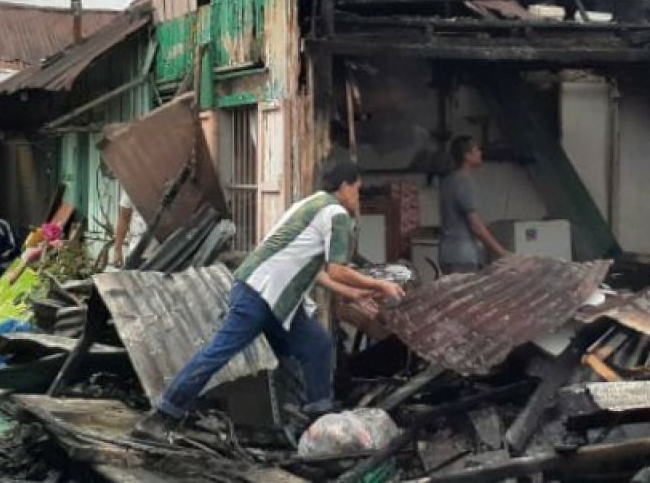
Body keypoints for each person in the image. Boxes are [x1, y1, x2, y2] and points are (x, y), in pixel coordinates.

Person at [133, 160, 404, 442]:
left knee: (318, 344)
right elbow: (336, 269)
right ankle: (163, 414)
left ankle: (319, 423)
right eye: (357, 191)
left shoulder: (311, 204)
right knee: (218, 352)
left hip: (273, 296)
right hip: (261, 294)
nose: (357, 198)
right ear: (345, 186)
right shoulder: (336, 214)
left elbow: (317, 272)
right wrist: (380, 284)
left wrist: (353, 294)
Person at [438, 136, 511, 274]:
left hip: (447, 252)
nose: (480, 153)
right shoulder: (463, 182)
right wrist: (502, 252)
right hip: (463, 254)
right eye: (476, 150)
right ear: (467, 155)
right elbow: (476, 226)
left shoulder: (447, 181)